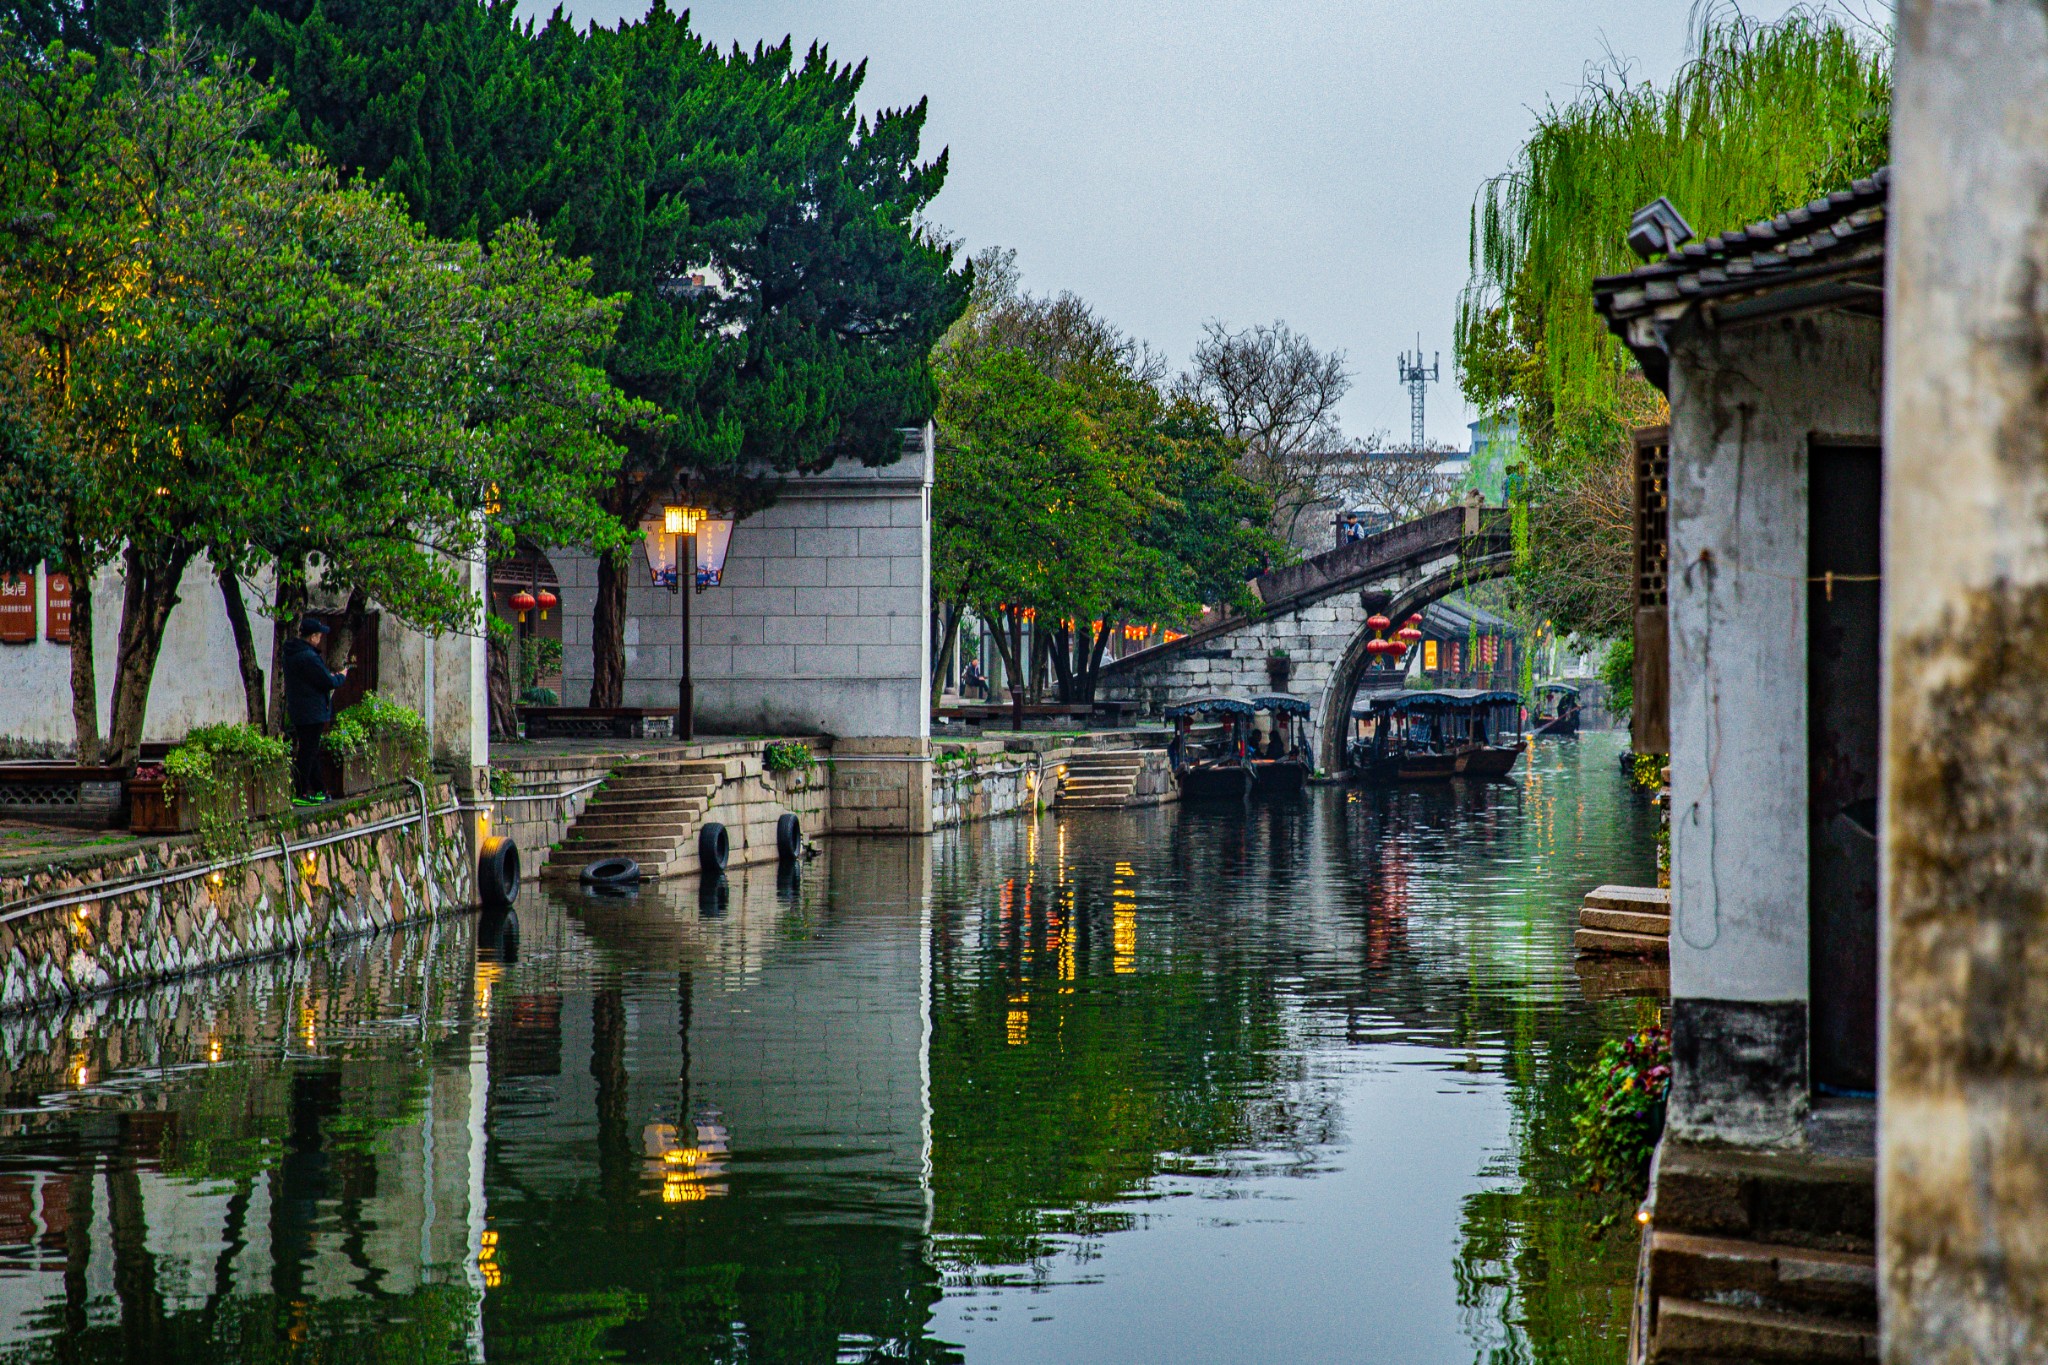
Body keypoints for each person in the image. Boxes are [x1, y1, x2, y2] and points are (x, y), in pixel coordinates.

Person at [282, 617, 348, 805]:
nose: (319, 639)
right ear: (312, 637)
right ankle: (300, 793)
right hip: (312, 712)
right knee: (307, 753)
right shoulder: (309, 657)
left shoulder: (291, 653)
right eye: (318, 635)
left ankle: (319, 789)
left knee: (310, 750)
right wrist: (340, 677)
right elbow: (327, 682)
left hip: (300, 710)